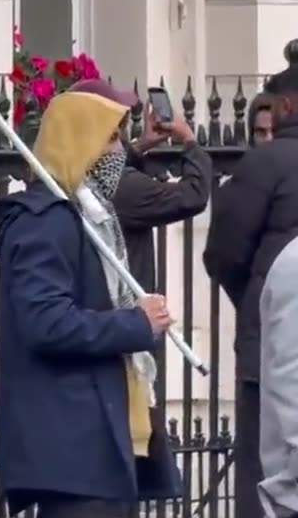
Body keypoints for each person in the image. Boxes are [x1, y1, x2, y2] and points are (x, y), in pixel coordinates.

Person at [0, 79, 180, 517]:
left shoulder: (91, 216)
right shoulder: (46, 223)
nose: (119, 149)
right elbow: (46, 323)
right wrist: (137, 324)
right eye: (110, 137)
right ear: (81, 141)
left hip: (97, 445)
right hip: (72, 451)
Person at [204, 67, 298, 518]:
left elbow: (223, 252)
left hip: (272, 347)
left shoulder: (266, 164)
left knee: (264, 469)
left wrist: (256, 301)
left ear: (287, 106)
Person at [114, 105, 213, 293]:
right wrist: (188, 138)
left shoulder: (78, 174)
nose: (122, 144)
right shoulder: (124, 186)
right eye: (114, 137)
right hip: (128, 307)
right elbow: (193, 194)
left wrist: (141, 145)